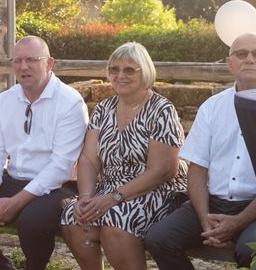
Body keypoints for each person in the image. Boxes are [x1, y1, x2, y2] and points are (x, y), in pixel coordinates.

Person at [0, 35, 88, 270]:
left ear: (49, 63)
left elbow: (61, 166)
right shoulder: (5, 100)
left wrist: (15, 203)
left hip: (58, 187)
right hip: (14, 180)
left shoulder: (70, 102)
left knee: (32, 219)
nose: (23, 67)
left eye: (32, 60)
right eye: (18, 60)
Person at [145, 32, 256, 269]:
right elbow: (197, 169)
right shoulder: (212, 107)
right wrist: (205, 219)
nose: (249, 59)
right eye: (241, 54)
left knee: (254, 252)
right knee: (159, 238)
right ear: (230, 63)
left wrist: (237, 222)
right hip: (211, 204)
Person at [60, 42, 187, 270]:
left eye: (129, 70)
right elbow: (89, 159)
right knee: (74, 216)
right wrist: (86, 197)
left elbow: (163, 170)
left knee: (117, 221)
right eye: (114, 69)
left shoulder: (161, 110)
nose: (120, 75)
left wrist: (113, 198)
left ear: (145, 72)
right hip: (110, 187)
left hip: (156, 189)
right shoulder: (103, 108)